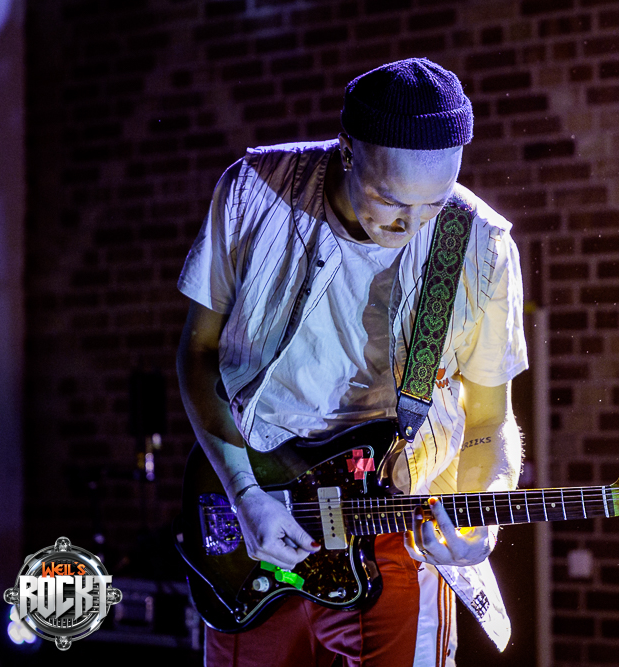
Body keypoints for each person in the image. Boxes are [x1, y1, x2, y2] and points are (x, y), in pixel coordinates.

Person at [176, 58, 528, 667]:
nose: (409, 223)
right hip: (258, 507)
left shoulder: (481, 244)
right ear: (346, 150)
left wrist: (484, 518)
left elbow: (488, 419)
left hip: (395, 526)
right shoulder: (254, 190)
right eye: (389, 199)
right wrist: (245, 492)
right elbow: (198, 352)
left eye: (433, 204)